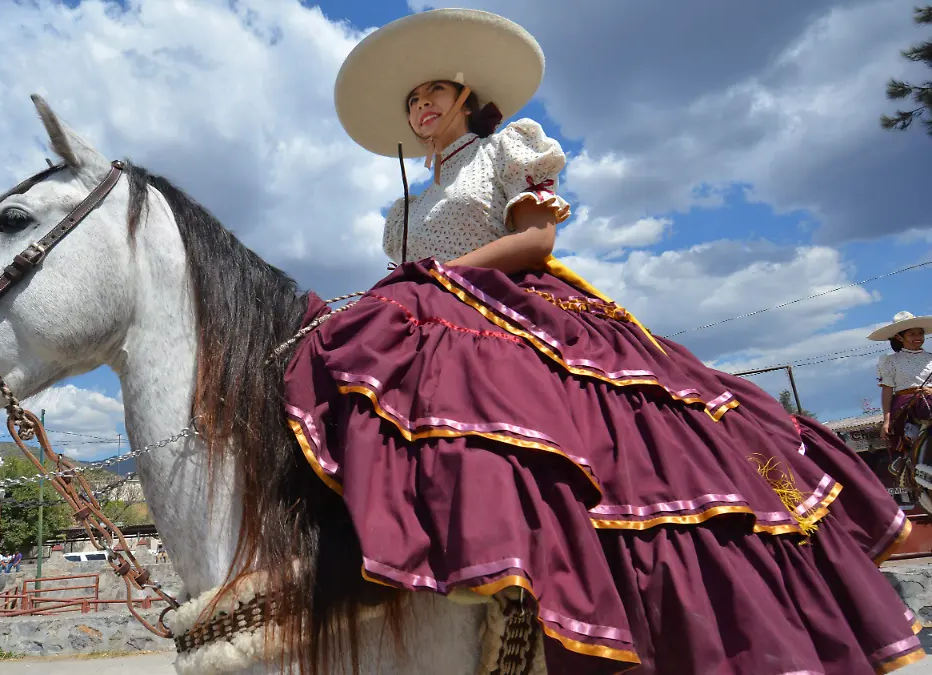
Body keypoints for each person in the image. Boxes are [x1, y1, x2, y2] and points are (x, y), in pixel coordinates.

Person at [283, 8, 923, 674]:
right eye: (413, 99)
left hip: (523, 307)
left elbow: (536, 241)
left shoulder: (507, 148)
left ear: (466, 96)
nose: (422, 105)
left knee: (603, 440)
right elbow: (404, 282)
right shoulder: (403, 212)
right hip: (434, 321)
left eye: (433, 92)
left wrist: (439, 273)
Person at [871, 311, 932, 481]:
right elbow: (887, 390)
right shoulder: (890, 361)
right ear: (899, 337)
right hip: (908, 402)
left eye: (920, 333)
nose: (917, 337)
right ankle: (905, 461)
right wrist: (886, 420)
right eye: (912, 334)